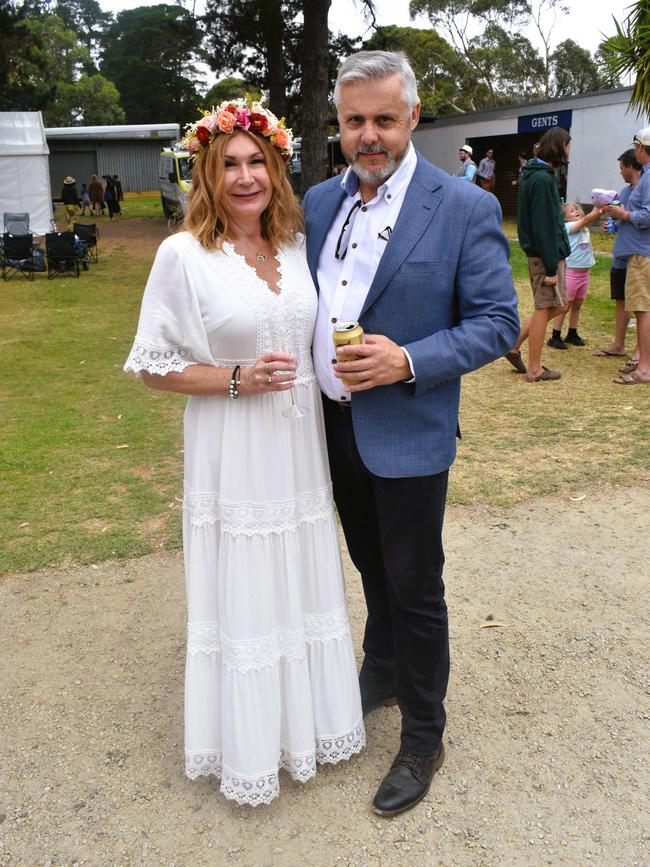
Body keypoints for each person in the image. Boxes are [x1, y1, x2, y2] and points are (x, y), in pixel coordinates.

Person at [124, 98, 365, 807]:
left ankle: (310, 723)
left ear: (276, 167)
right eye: (227, 164)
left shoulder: (293, 245)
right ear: (206, 172)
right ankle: (251, 744)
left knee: (299, 571)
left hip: (298, 444)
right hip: (234, 446)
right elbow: (151, 363)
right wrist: (234, 377)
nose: (243, 176)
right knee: (249, 582)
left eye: (255, 161)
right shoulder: (183, 255)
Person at [302, 50, 519, 817]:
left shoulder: (462, 207)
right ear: (340, 122)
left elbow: (498, 322)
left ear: (413, 118)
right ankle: (383, 665)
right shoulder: (319, 202)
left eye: (384, 120)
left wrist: (408, 359)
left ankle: (424, 732)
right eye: (355, 120)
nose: (369, 135)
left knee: (416, 584)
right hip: (330, 427)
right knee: (369, 563)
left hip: (411, 431)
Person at [504, 127, 571, 381]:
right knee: (546, 308)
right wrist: (552, 266)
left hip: (543, 253)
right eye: (568, 145)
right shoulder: (542, 179)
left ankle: (514, 346)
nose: (568, 151)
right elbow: (544, 225)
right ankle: (534, 368)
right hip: (544, 256)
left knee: (557, 305)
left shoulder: (536, 174)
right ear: (560, 145)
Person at [605, 127, 650, 385]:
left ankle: (644, 368)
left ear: (641, 149)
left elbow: (648, 215)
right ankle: (643, 364)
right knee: (642, 309)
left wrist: (624, 215)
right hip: (639, 253)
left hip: (643, 254)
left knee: (643, 310)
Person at [594, 149, 643, 369]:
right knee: (621, 301)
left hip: (639, 254)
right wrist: (611, 224)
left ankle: (640, 351)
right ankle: (618, 345)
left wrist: (623, 216)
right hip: (621, 254)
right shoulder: (623, 192)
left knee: (641, 306)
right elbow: (619, 220)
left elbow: (639, 217)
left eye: (622, 167)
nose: (620, 171)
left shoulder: (645, 188)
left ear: (630, 166)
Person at [547, 201, 603, 349]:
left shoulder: (583, 228)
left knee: (577, 305)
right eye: (571, 211)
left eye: (577, 209)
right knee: (564, 306)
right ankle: (555, 336)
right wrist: (598, 208)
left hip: (584, 273)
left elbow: (584, 223)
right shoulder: (568, 227)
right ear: (564, 218)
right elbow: (586, 220)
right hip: (570, 273)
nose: (576, 211)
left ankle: (572, 333)